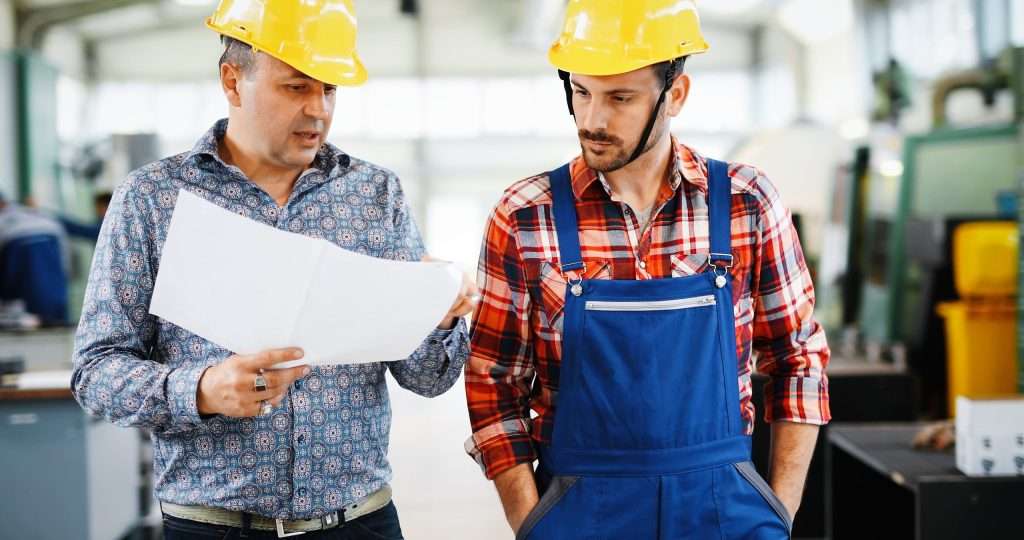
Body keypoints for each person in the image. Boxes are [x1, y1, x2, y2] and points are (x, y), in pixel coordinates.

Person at [72, 1, 476, 538]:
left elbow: (426, 378)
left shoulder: (375, 195)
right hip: (213, 527)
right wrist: (202, 389)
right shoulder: (153, 200)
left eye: (329, 89)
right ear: (233, 81)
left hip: (359, 523)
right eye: (296, 87)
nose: (318, 110)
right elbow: (95, 372)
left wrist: (441, 315)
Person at [464, 1, 831, 538]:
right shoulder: (525, 214)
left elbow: (797, 359)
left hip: (724, 512)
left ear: (674, 95)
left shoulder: (746, 204)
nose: (592, 119)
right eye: (581, 91)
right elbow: (493, 383)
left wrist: (779, 513)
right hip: (581, 513)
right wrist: (531, 524)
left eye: (620, 98)